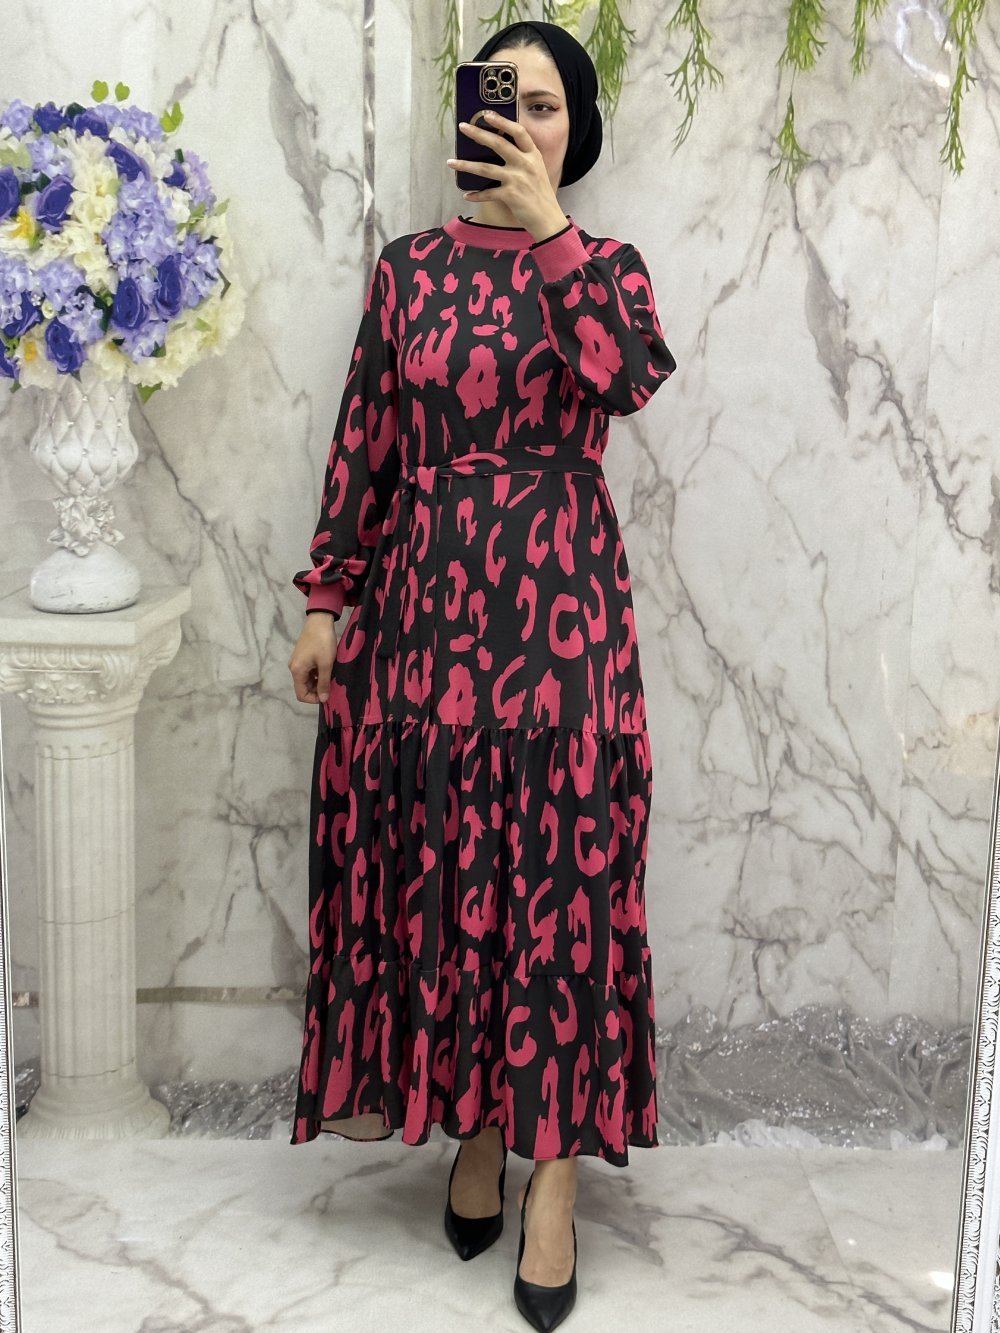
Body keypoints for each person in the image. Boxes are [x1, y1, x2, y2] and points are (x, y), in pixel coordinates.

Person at [287, 19, 676, 1331]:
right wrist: (328, 598)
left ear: (579, 131)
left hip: (564, 623)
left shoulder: (607, 269)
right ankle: (479, 1124)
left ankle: (552, 1180)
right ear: (466, 114)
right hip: (427, 624)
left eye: (548, 105)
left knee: (561, 890)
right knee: (452, 879)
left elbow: (625, 379)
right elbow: (366, 438)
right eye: (506, 100)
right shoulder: (409, 271)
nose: (524, 122)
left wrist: (551, 231)